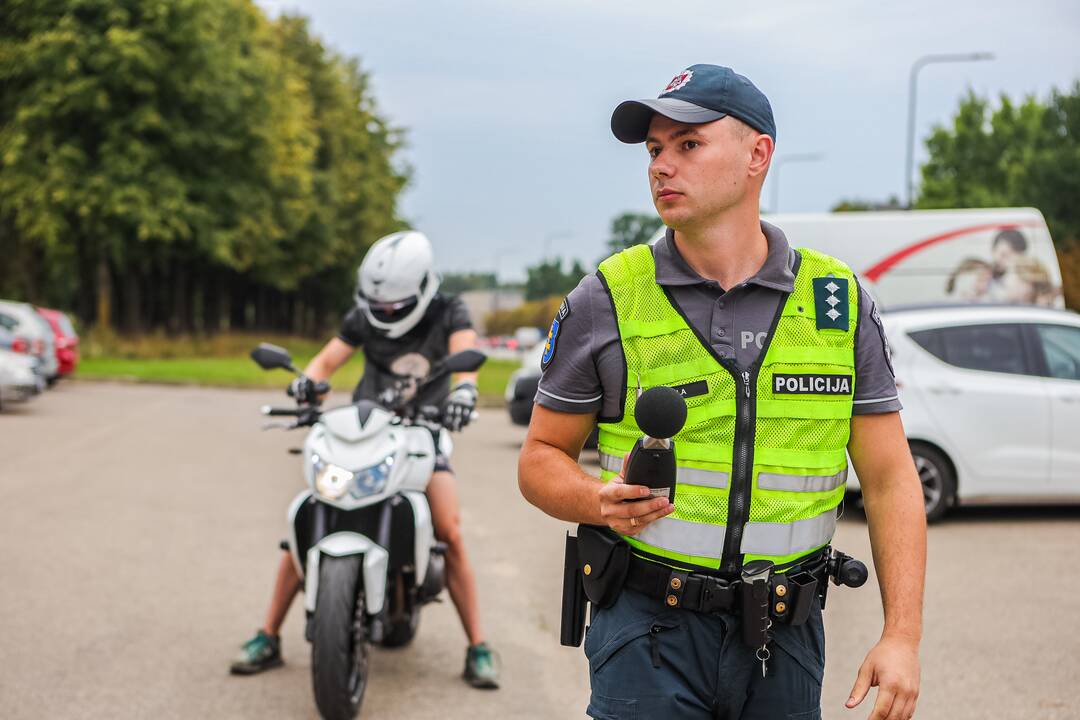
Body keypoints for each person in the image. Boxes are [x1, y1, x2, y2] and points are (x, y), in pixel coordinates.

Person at [518, 64, 926, 719]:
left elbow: (889, 478)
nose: (661, 166)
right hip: (647, 632)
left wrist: (901, 635)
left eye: (688, 145)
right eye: (654, 150)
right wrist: (598, 501)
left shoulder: (837, 303)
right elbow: (539, 457)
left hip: (786, 640)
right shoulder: (608, 297)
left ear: (757, 155)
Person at [230, 231, 500, 689]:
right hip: (364, 432)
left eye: (396, 306)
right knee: (313, 516)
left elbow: (465, 355)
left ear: (420, 289)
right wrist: (307, 384)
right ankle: (268, 635)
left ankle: (478, 646)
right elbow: (326, 362)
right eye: (380, 306)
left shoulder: (448, 309)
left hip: (423, 432)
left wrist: (466, 391)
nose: (387, 313)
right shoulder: (364, 314)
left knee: (449, 530)